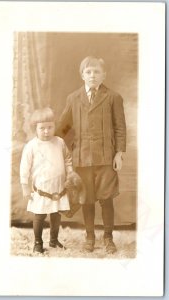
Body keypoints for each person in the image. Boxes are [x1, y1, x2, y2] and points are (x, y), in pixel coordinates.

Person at [56, 56, 126, 253]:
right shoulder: (73, 98)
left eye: (96, 72)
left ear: (104, 75)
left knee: (106, 199)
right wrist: (53, 148)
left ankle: (108, 238)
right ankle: (89, 237)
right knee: (86, 199)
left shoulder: (113, 97)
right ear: (82, 75)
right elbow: (64, 127)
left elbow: (120, 128)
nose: (92, 75)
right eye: (88, 72)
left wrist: (119, 153)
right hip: (82, 158)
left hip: (106, 158)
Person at [20, 107, 73, 253]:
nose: (46, 131)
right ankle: (38, 242)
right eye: (42, 128)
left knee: (56, 214)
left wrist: (70, 172)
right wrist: (25, 186)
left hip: (58, 188)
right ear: (34, 129)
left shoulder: (59, 142)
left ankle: (54, 240)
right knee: (40, 216)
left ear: (54, 126)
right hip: (42, 189)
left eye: (50, 127)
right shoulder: (31, 146)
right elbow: (24, 167)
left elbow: (68, 159)